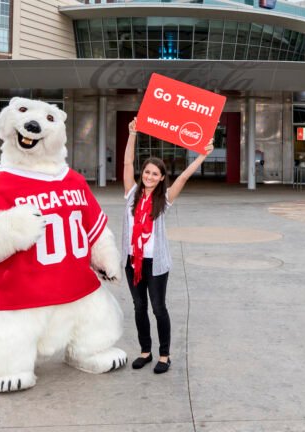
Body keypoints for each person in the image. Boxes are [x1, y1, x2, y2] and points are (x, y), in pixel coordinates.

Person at [122, 117, 213, 374]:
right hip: (133, 261)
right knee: (139, 307)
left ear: (161, 178)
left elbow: (183, 177)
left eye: (155, 173)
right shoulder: (131, 193)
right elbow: (127, 162)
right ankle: (145, 351)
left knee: (158, 307)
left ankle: (164, 355)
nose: (149, 176)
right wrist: (133, 134)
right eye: (147, 172)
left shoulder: (164, 199)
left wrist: (203, 155)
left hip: (155, 263)